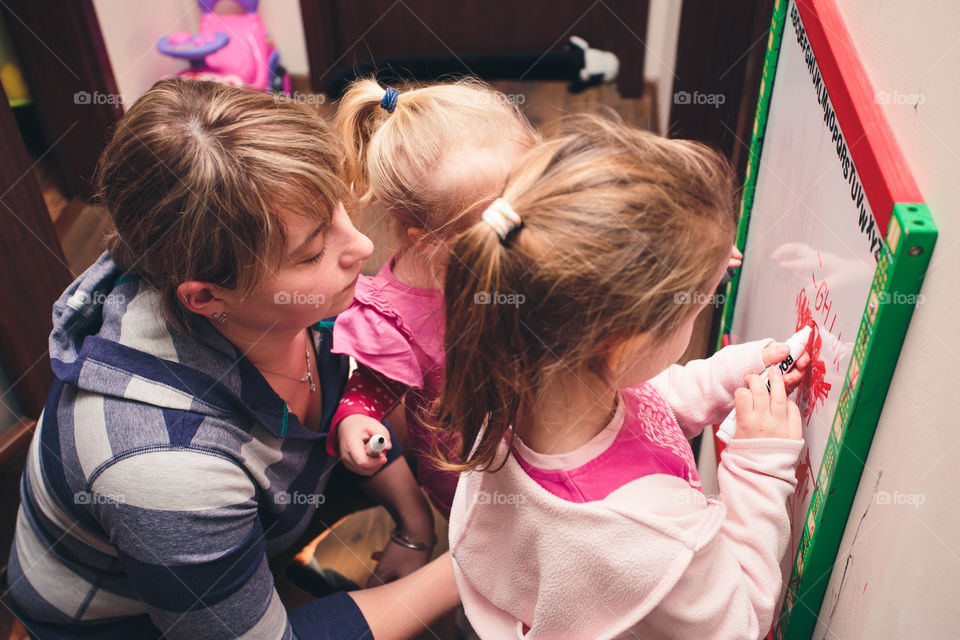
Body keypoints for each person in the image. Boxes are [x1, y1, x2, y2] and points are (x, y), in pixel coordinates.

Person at [4, 78, 456, 640]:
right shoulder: (164, 468)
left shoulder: (268, 292)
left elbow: (353, 409)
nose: (362, 247)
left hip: (250, 535)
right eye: (314, 250)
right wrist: (469, 567)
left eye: (339, 205)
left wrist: (415, 528)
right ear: (206, 297)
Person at [433, 115, 810, 639]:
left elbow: (647, 407)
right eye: (697, 303)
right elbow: (741, 622)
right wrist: (760, 466)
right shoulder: (655, 534)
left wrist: (730, 374)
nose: (702, 305)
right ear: (626, 345)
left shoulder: (518, 382)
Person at [324, 79, 539, 526]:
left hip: (547, 435)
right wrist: (355, 420)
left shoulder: (529, 240)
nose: (532, 232)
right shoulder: (393, 317)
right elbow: (374, 387)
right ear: (428, 243)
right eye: (505, 227)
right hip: (471, 476)